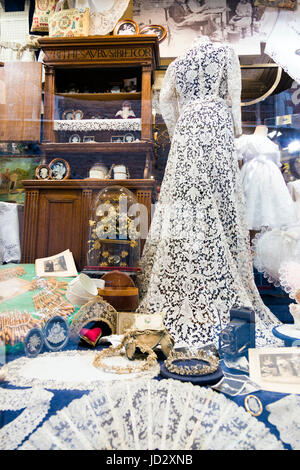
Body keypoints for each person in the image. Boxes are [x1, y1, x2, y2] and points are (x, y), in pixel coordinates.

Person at [136, 35, 281, 348]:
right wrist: (236, 129)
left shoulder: (176, 64)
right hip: (215, 125)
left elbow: (164, 102)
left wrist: (178, 131)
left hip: (188, 130)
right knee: (218, 196)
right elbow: (234, 93)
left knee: (185, 201)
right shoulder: (226, 52)